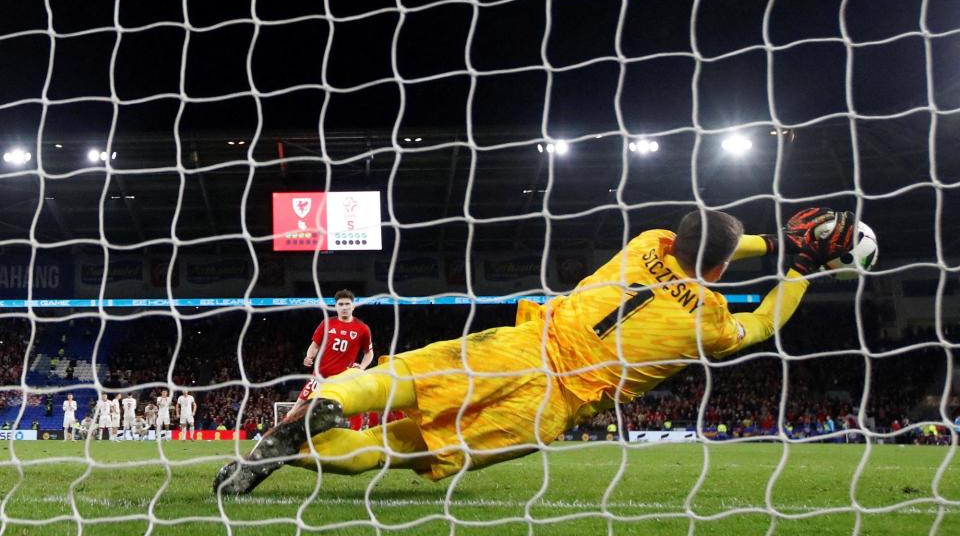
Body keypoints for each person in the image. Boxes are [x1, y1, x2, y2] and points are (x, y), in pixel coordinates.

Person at [214, 207, 855, 495]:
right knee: (401, 452)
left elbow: (706, 240)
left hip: (523, 342)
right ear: (716, 269)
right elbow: (764, 325)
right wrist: (800, 266)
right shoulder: (709, 319)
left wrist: (771, 241)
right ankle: (298, 455)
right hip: (554, 402)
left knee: (397, 378)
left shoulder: (647, 243)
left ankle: (315, 409)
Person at [285, 289, 374, 422]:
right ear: (336, 307)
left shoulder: (362, 329)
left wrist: (361, 367)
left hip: (344, 378)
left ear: (353, 306)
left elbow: (369, 353)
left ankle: (356, 435)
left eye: (347, 304)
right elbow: (314, 346)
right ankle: (281, 431)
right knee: (298, 405)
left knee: (355, 407)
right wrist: (309, 357)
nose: (344, 307)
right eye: (341, 304)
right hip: (320, 376)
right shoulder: (327, 323)